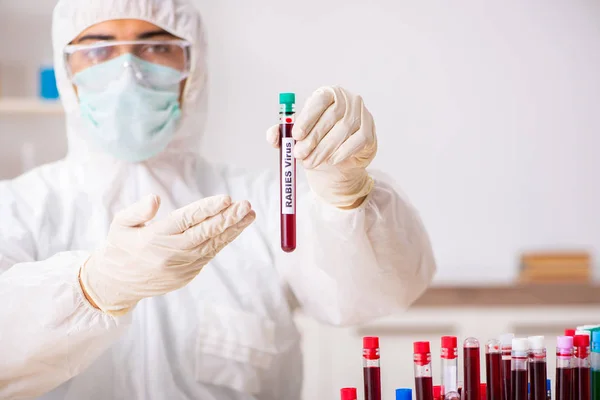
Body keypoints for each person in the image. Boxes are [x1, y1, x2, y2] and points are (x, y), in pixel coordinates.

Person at [0, 0, 436, 399]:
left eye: (156, 48)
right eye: (98, 49)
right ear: (66, 70)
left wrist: (346, 198)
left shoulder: (260, 204)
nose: (128, 69)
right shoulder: (17, 210)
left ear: (193, 65)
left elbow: (377, 294)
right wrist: (90, 289)